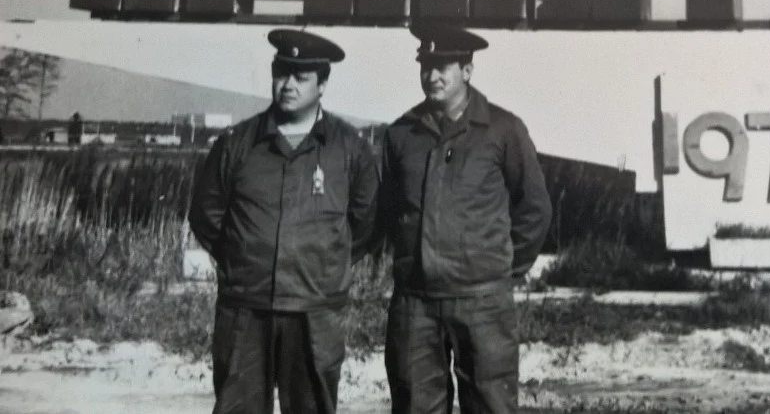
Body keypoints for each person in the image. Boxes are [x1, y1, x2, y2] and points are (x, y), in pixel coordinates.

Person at [188, 28, 380, 414]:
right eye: (281, 73)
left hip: (314, 312)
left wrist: (326, 265)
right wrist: (242, 257)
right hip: (245, 309)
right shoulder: (237, 143)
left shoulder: (349, 149)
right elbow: (207, 214)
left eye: (300, 77)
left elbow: (366, 222)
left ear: (322, 85)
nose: (288, 85)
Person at [379, 22, 553, 414]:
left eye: (443, 66)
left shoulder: (502, 130)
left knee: (490, 406)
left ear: (468, 70)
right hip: (416, 305)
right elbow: (388, 212)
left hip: (483, 304)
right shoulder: (401, 135)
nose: (432, 76)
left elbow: (534, 208)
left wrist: (499, 270)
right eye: (426, 65)